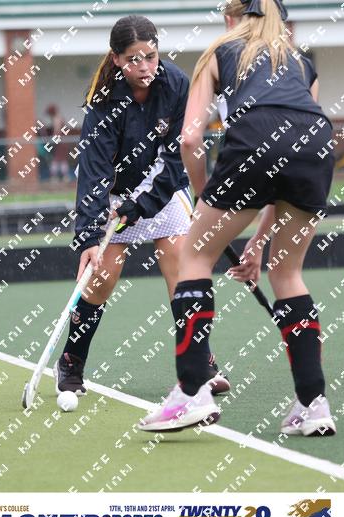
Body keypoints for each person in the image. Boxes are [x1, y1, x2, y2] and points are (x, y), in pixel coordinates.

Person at [139, 0, 337, 436]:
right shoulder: (302, 64)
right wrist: (259, 243)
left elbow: (190, 139)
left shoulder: (220, 50)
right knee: (288, 274)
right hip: (316, 146)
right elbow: (285, 171)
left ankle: (193, 391)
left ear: (230, 18)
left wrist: (202, 194)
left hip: (252, 142)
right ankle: (313, 405)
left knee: (194, 256)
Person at [54, 15, 230, 398]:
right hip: (116, 195)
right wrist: (89, 236)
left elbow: (178, 158)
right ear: (117, 59)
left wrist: (144, 203)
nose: (145, 66)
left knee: (182, 270)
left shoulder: (176, 84)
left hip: (162, 188)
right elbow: (94, 173)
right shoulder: (102, 101)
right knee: (102, 277)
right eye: (134, 59)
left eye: (150, 56)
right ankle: (71, 362)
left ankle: (200, 363)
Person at [44, 104, 72, 182]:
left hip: (61, 142)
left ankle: (56, 177)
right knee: (61, 159)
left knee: (57, 159)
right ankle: (63, 176)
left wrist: (52, 140)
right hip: (62, 142)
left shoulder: (57, 118)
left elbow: (57, 132)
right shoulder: (59, 117)